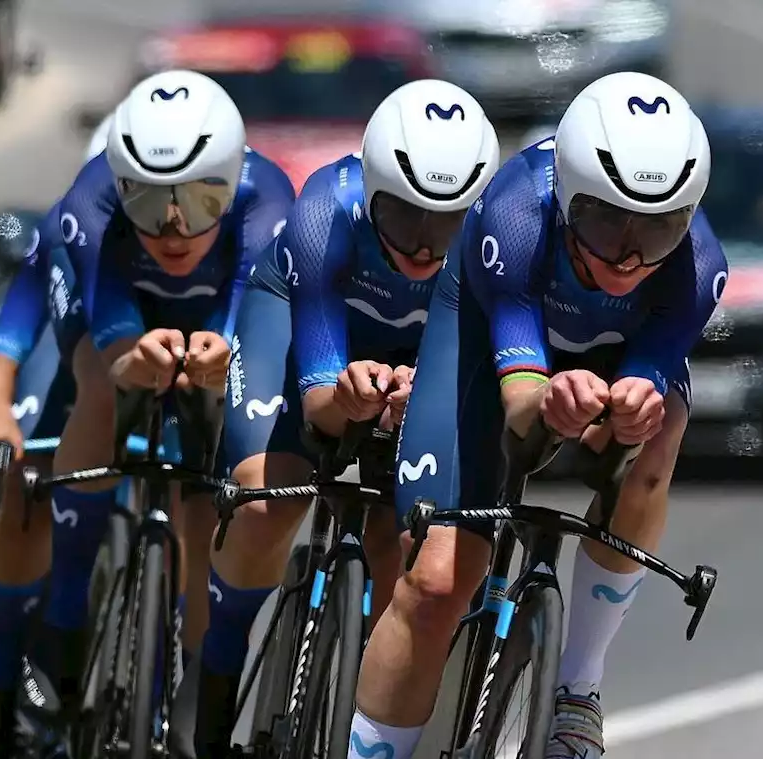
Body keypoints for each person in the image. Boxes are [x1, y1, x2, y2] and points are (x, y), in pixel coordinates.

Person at [349, 71, 728, 759]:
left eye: (660, 227)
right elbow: (523, 413)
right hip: (487, 335)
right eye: (605, 221)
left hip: (607, 358)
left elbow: (639, 391)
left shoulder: (699, 266)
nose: (631, 253)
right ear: (567, 202)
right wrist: (551, 402)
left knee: (660, 431)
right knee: (435, 581)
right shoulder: (516, 210)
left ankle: (577, 689)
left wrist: (625, 410)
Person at [198, 79, 500, 754]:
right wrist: (353, 394)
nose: (424, 246)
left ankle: (365, 709)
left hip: (415, 361)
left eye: (447, 221)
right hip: (305, 334)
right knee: (262, 504)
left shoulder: (491, 246)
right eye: (403, 217)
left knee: (406, 534)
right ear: (369, 189)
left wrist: (420, 395)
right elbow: (318, 407)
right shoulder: (323, 210)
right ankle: (218, 663)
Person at [25, 68, 295, 749]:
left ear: (233, 183)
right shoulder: (88, 200)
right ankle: (63, 616)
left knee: (205, 499)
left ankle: (195, 696)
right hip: (121, 307)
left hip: (218, 316)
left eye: (203, 202)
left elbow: (250, 301)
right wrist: (128, 359)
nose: (174, 225)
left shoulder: (269, 199)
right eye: (147, 201)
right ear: (119, 188)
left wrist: (221, 354)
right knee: (97, 381)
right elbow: (105, 313)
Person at [0, 124, 110, 759]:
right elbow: (5, 346)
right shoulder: (66, 234)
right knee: (26, 488)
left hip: (156, 364)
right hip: (69, 359)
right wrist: (0, 418)